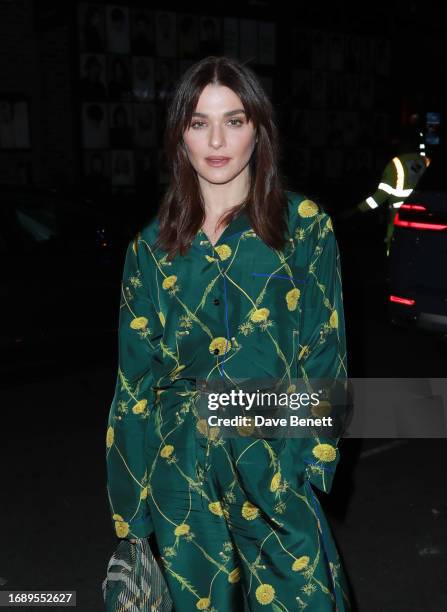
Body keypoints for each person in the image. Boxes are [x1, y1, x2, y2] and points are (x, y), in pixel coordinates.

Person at [105, 55, 351, 611]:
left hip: (272, 460)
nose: (217, 139)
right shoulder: (149, 249)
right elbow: (133, 383)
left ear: (258, 130)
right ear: (180, 137)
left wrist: (308, 462)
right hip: (179, 470)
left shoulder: (304, 226)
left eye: (234, 120)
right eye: (199, 122)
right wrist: (133, 513)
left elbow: (325, 348)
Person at [338, 122, 431, 256]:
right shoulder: (427, 161)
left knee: (397, 259)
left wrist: (356, 210)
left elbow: (379, 197)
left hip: (400, 223)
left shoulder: (396, 164)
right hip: (425, 221)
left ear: (403, 143)